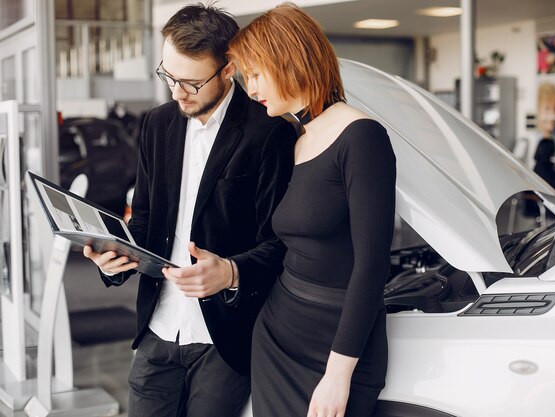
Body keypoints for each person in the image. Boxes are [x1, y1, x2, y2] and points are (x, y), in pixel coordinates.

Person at [83, 4, 296, 417]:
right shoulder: (156, 124)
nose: (176, 93)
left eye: (191, 83)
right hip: (156, 329)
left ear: (228, 68)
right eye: (168, 76)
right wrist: (117, 259)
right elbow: (144, 220)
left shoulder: (270, 132)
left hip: (225, 338)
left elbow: (281, 243)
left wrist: (231, 271)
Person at [227, 4, 396, 417]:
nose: (250, 89)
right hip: (278, 332)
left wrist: (339, 373)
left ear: (288, 60)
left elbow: (372, 265)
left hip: (337, 347)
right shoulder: (297, 139)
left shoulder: (362, 137)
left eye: (255, 74)